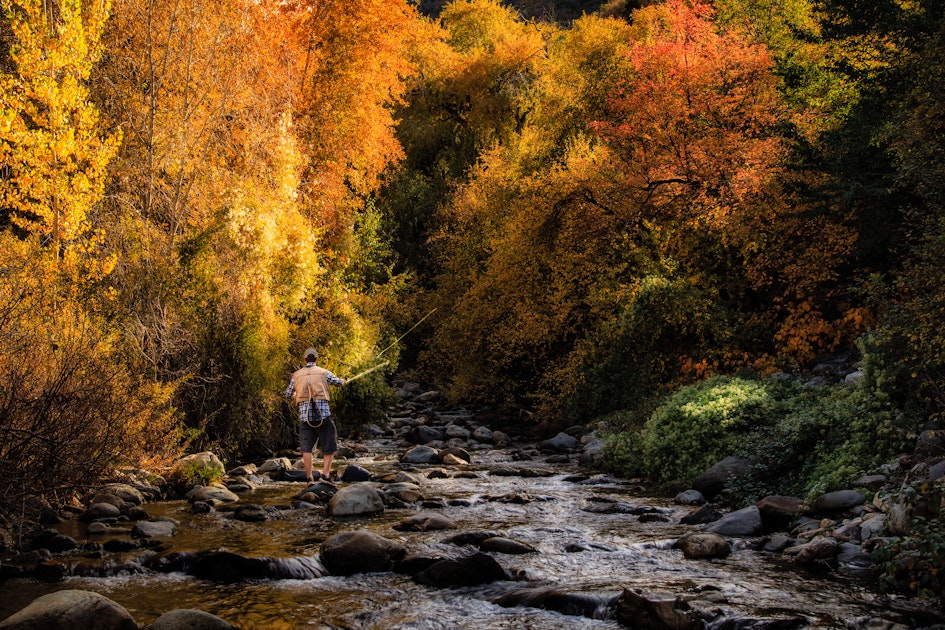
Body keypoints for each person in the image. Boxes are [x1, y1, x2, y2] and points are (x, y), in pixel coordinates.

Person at [285, 347, 346, 485]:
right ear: (316, 359)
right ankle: (325, 475)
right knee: (329, 445)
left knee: (306, 448)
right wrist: (343, 381)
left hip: (305, 418)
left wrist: (296, 394)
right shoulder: (323, 372)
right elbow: (338, 382)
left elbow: (288, 394)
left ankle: (309, 478)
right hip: (323, 416)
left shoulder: (296, 375)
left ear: (305, 359)